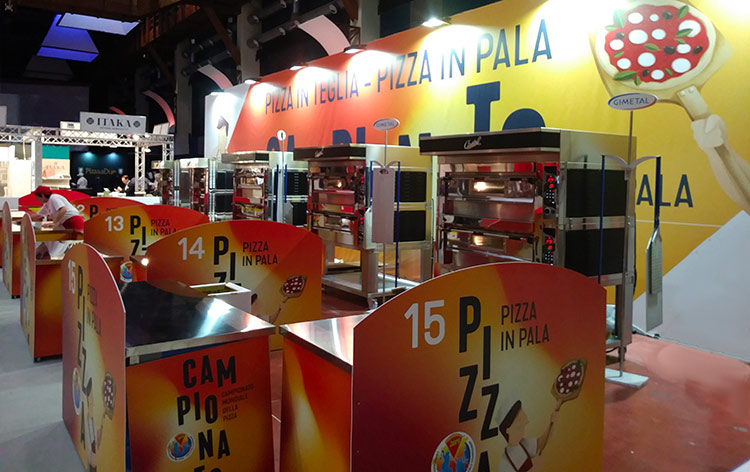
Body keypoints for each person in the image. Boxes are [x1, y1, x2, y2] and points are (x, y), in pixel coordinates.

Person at [496, 396, 557, 472]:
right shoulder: (504, 463)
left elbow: (541, 443)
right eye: (519, 420)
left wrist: (552, 423)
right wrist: (534, 468)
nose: (526, 422)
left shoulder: (523, 443)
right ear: (507, 430)